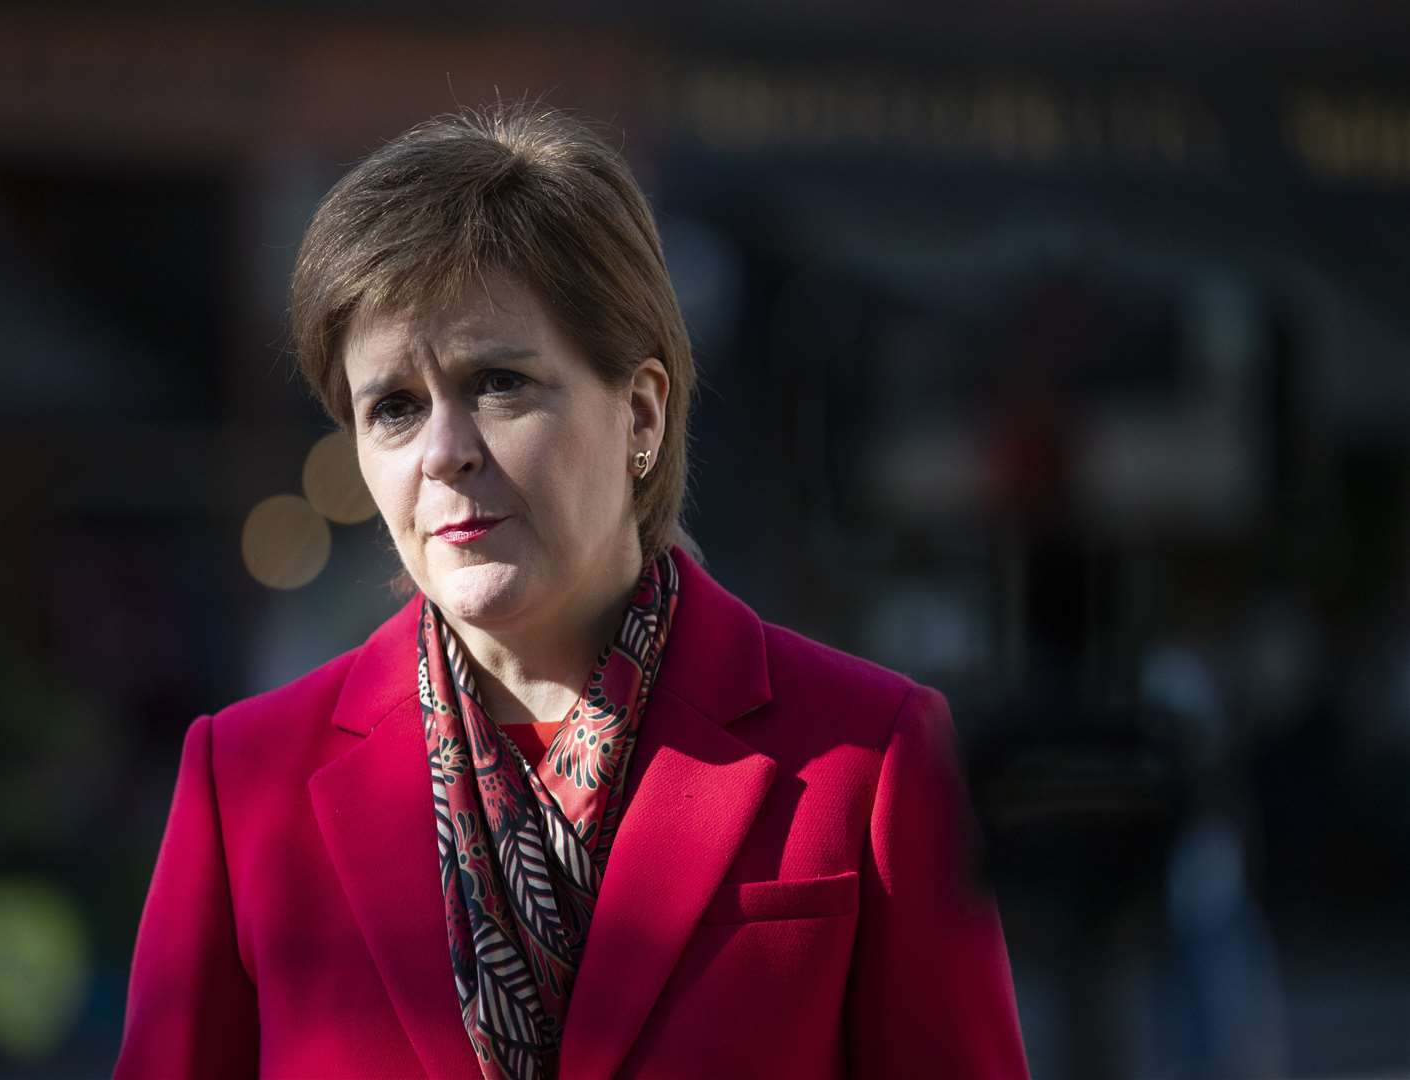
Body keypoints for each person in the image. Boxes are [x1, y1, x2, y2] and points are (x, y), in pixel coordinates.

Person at [114, 102, 1031, 1080]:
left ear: (639, 413)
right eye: (393, 408)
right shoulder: (247, 783)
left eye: (500, 383)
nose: (445, 455)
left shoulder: (868, 761)